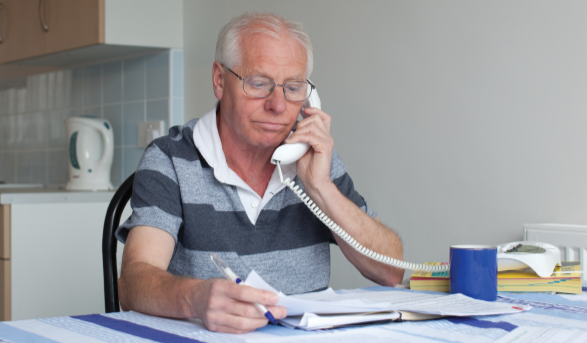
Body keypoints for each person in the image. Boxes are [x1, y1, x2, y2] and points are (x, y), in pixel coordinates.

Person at [115, 12, 404, 334]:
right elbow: (132, 284)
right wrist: (194, 298)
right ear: (220, 81)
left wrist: (321, 187)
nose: (278, 105)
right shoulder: (170, 158)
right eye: (259, 83)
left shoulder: (313, 156)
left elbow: (391, 272)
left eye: (293, 88)